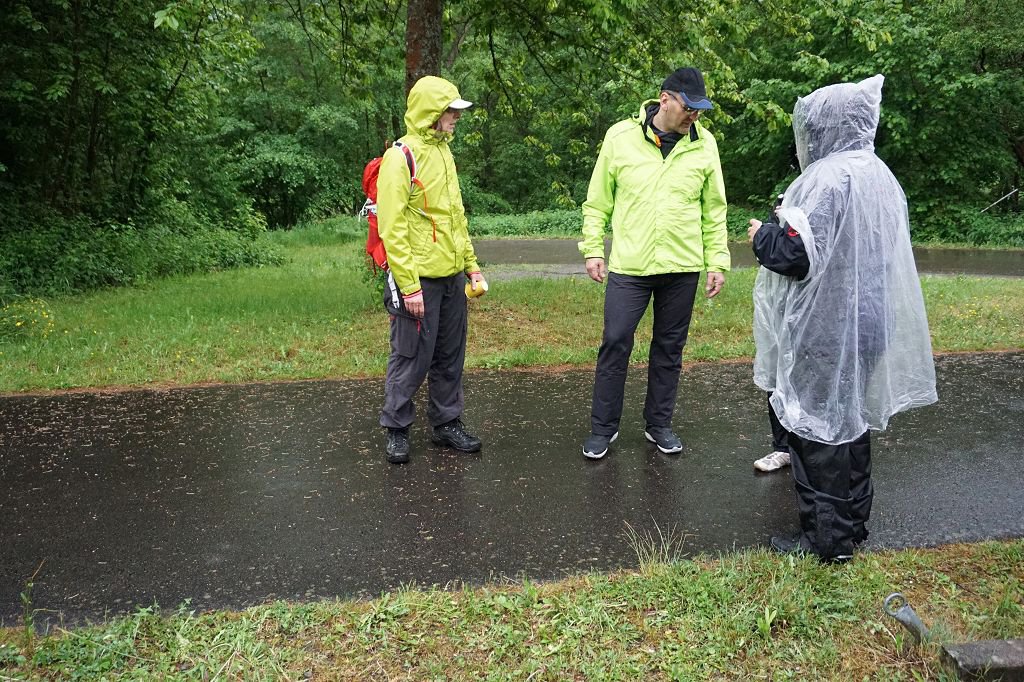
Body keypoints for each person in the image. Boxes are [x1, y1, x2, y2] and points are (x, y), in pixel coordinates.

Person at [748, 74, 937, 561]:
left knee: (819, 431)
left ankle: (826, 541)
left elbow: (796, 256)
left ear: (825, 126)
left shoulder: (825, 178)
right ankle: (852, 525)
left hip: (827, 325)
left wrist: (761, 235)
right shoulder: (879, 174)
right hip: (869, 320)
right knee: (850, 420)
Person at [579, 66, 730, 460]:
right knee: (615, 342)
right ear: (665, 100)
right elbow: (598, 200)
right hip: (631, 266)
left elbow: (714, 210)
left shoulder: (705, 144)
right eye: (688, 107)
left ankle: (658, 424)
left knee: (669, 348)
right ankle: (603, 428)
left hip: (682, 266)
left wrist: (717, 261)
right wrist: (593, 249)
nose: (694, 115)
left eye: (699, 110)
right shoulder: (620, 137)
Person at [377, 75, 486, 465]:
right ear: (432, 112)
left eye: (457, 110)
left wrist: (471, 266)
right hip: (418, 278)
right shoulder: (400, 156)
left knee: (449, 354)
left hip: (451, 276)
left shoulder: (444, 153)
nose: (457, 117)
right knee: (411, 356)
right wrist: (409, 286)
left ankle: (446, 423)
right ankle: (396, 428)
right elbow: (392, 227)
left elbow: (455, 218)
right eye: (451, 111)